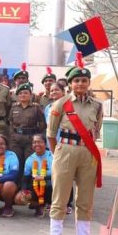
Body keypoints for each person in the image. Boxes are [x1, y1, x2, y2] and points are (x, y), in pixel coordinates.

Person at [47, 55, 103, 235]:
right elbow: (51, 135)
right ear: (70, 84)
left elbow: (96, 131)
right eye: (76, 81)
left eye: (84, 81)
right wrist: (59, 155)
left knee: (85, 202)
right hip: (65, 151)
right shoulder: (60, 104)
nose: (80, 84)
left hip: (87, 153)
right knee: (60, 200)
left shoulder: (97, 106)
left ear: (89, 83)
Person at [8, 82, 46, 188]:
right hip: (16, 139)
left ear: (30, 95)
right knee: (17, 162)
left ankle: (28, 188)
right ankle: (16, 186)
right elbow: (10, 122)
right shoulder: (14, 107)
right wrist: (12, 135)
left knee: (29, 163)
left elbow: (42, 123)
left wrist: (35, 134)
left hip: (30, 139)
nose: (23, 95)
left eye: (25, 93)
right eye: (20, 93)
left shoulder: (35, 108)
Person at [45, 82, 74, 213]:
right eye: (51, 91)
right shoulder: (48, 108)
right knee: (55, 175)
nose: (54, 93)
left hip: (65, 143)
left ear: (64, 91)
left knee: (66, 174)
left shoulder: (69, 106)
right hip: (51, 144)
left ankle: (67, 203)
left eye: (57, 90)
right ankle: (53, 202)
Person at [22, 134, 54, 217]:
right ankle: (38, 205)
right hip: (36, 186)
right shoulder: (30, 159)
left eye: (40, 142)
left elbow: (57, 173)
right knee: (22, 196)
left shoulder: (52, 155)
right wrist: (24, 191)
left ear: (45, 143)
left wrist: (43, 177)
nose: (37, 144)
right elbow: (26, 178)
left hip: (51, 185)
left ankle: (53, 205)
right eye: (34, 142)